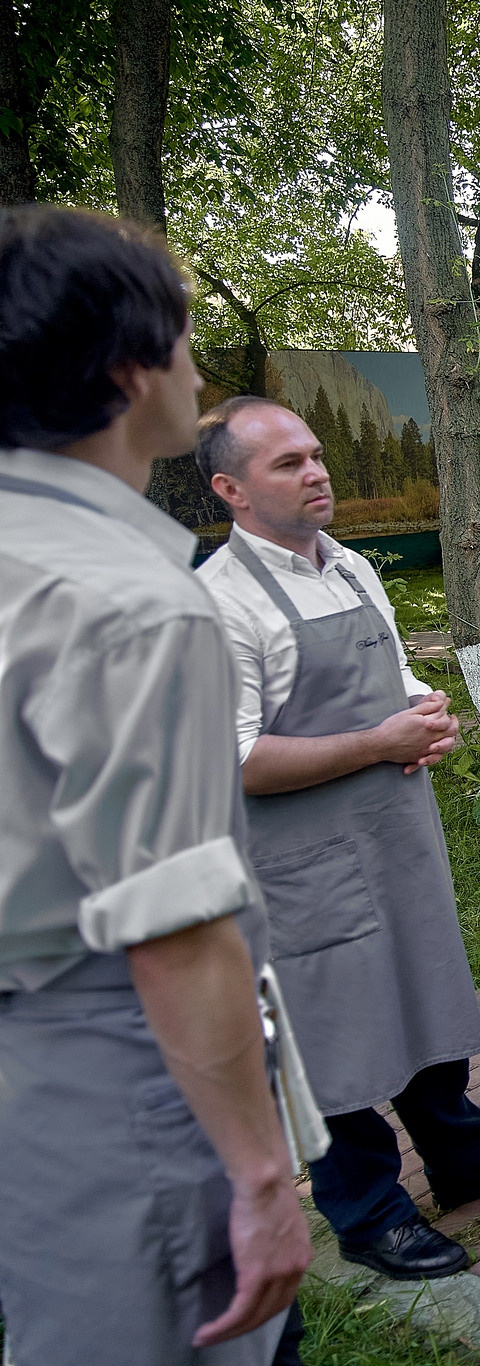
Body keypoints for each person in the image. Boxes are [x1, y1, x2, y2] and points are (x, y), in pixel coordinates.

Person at [0, 206, 310, 1361]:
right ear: (134, 370)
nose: (197, 374)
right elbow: (174, 930)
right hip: (128, 1065)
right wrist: (259, 1172)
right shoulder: (133, 601)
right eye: (183, 343)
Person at [196, 396, 480, 1280]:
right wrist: (377, 744)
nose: (317, 471)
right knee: (328, 1035)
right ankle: (367, 1214)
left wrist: (424, 714)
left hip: (391, 836)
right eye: (287, 463)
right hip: (301, 862)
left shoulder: (351, 569)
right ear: (231, 489)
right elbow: (234, 756)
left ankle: (465, 1158)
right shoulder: (216, 607)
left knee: (419, 994)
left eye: (316, 454)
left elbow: (391, 673)